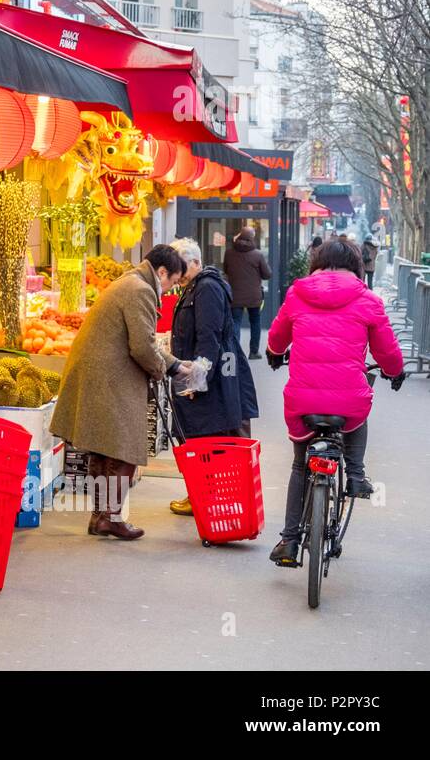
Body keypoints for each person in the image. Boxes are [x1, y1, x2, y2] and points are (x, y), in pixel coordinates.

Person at [264, 238, 405, 566]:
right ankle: (355, 474)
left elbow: (277, 337)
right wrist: (394, 372)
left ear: (316, 263)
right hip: (347, 402)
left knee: (301, 464)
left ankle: (288, 539)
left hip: (302, 401)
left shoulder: (298, 294)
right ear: (356, 265)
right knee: (359, 405)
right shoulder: (368, 299)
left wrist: (273, 354)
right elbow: (386, 349)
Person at [51, 245, 192, 540]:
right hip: (108, 377)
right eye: (171, 283)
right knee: (122, 447)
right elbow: (142, 346)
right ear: (162, 272)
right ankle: (111, 517)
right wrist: (167, 368)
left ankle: (101, 517)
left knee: (104, 447)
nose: (168, 291)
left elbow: (143, 342)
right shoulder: (140, 289)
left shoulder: (129, 282)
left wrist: (173, 365)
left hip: (101, 374)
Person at [166, 238, 259, 516]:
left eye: (181, 268)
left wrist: (197, 379)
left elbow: (209, 336)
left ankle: (203, 496)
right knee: (202, 437)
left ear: (195, 263)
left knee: (205, 438)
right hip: (211, 373)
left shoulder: (206, 288)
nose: (177, 275)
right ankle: (200, 493)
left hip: (214, 377)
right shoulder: (196, 286)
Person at [223, 226, 272, 359]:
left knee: (236, 322)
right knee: (255, 322)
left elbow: (225, 270)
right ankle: (254, 352)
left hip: (235, 295)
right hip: (254, 297)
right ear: (252, 238)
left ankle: (236, 352)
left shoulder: (229, 253)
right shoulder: (258, 255)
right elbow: (267, 275)